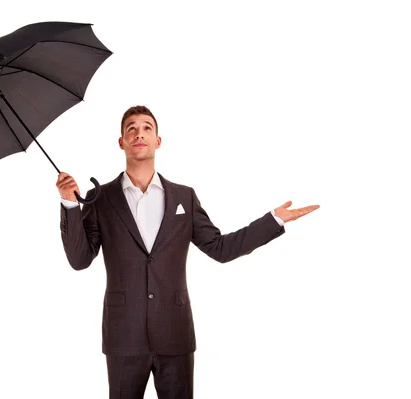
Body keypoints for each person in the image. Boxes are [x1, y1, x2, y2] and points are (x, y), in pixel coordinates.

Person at [56, 105, 319, 399]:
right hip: (123, 337)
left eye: (146, 128)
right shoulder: (99, 198)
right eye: (131, 128)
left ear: (158, 141)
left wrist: (274, 220)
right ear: (121, 142)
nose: (138, 133)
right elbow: (80, 260)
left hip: (175, 334)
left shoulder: (185, 197)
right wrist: (69, 204)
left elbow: (221, 248)